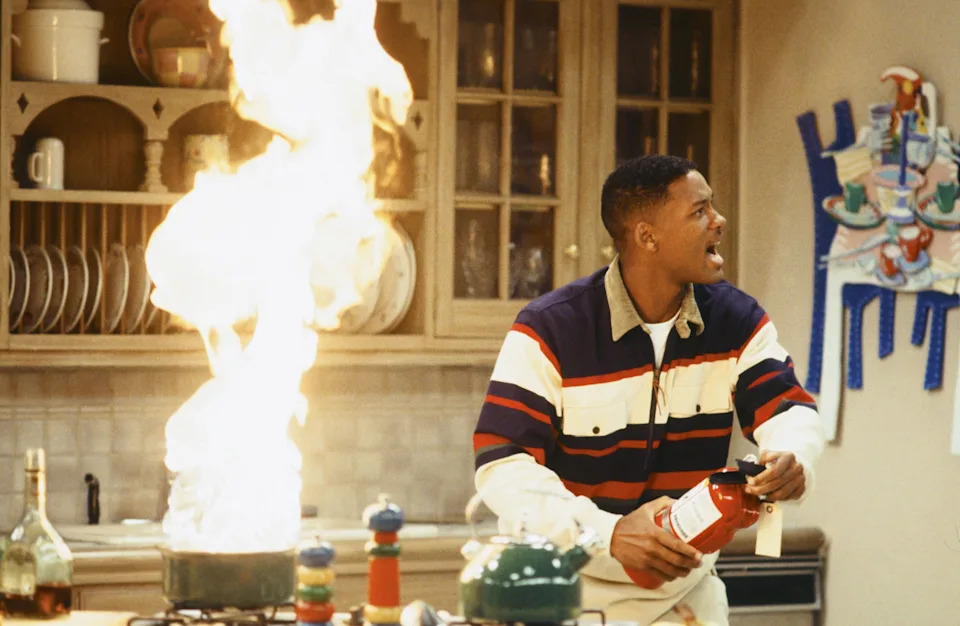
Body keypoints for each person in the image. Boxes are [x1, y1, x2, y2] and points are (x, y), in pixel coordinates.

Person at [472, 155, 825, 625]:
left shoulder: (737, 321)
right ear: (647, 236)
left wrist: (793, 458)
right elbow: (503, 466)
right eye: (699, 212)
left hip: (687, 604)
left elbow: (788, 410)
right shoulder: (550, 330)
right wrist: (608, 533)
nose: (719, 222)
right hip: (568, 600)